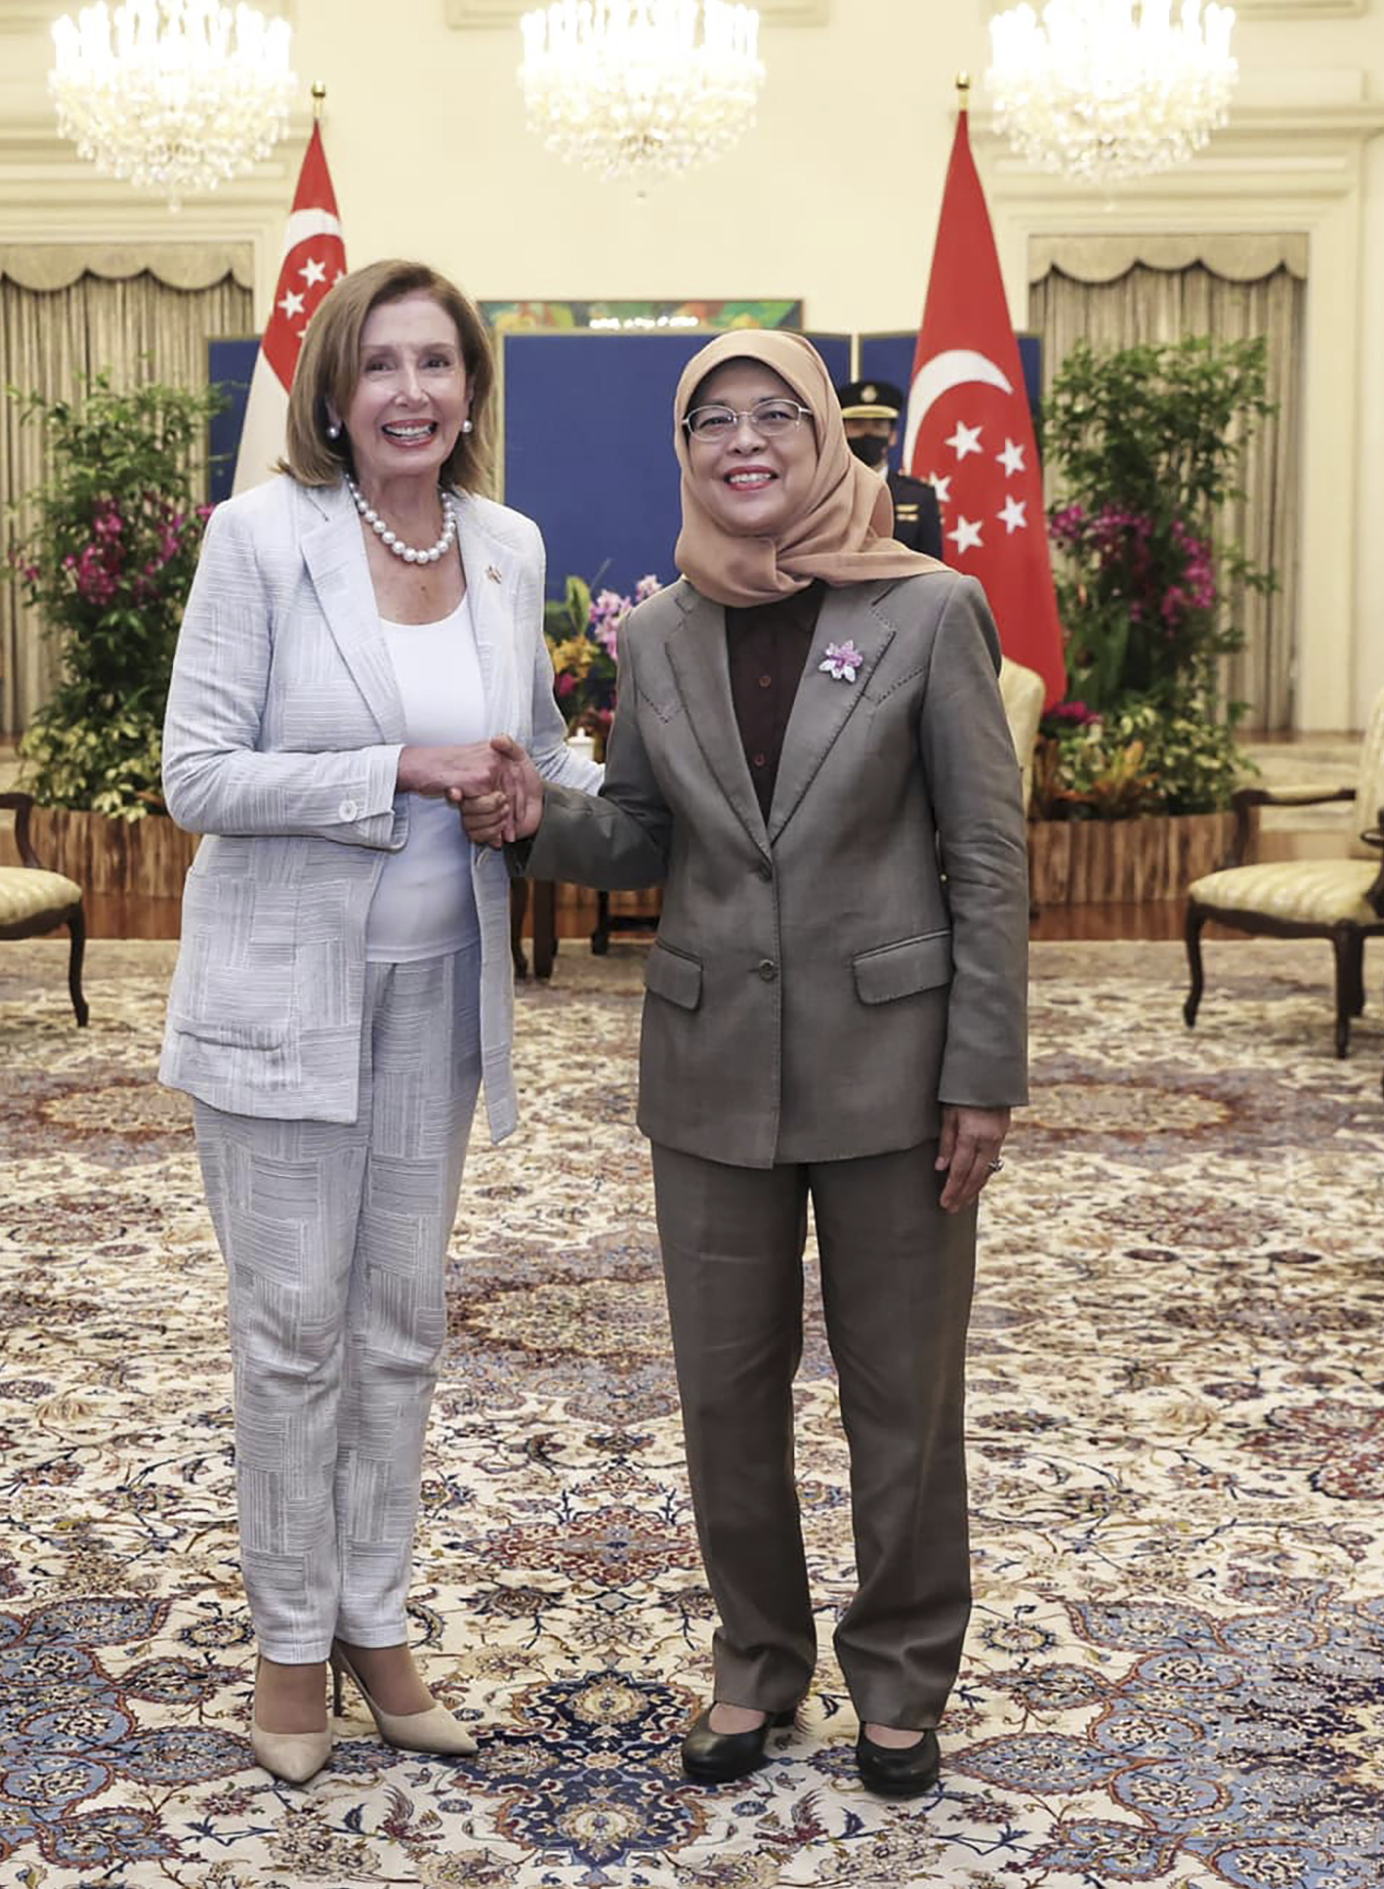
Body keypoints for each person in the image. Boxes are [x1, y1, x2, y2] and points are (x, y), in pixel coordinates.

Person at [465, 330, 1027, 1797]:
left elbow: (984, 857)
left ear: (825, 437)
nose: (743, 441)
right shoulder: (654, 637)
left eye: (773, 412)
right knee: (725, 1392)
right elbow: (643, 836)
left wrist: (983, 1071)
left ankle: (900, 1673)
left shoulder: (928, 611)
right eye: (710, 418)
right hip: (710, 1069)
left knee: (902, 1393)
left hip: (895, 1071)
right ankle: (754, 1666)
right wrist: (534, 816)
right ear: (684, 449)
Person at [158, 258, 603, 1785]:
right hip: (280, 1004)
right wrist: (399, 772)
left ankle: (376, 1620)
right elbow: (196, 774)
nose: (412, 392)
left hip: (436, 1001)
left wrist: (547, 790)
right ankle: (289, 1649)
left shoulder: (506, 544)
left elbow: (531, 747)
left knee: (400, 1332)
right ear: (334, 396)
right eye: (382, 366)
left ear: (471, 388)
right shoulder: (258, 537)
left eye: (439, 363)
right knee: (293, 1335)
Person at [837, 375, 946, 556]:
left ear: (893, 436)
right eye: (857, 425)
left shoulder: (919, 496)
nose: (867, 434)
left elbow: (933, 570)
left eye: (878, 426)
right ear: (842, 433)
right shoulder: (824, 491)